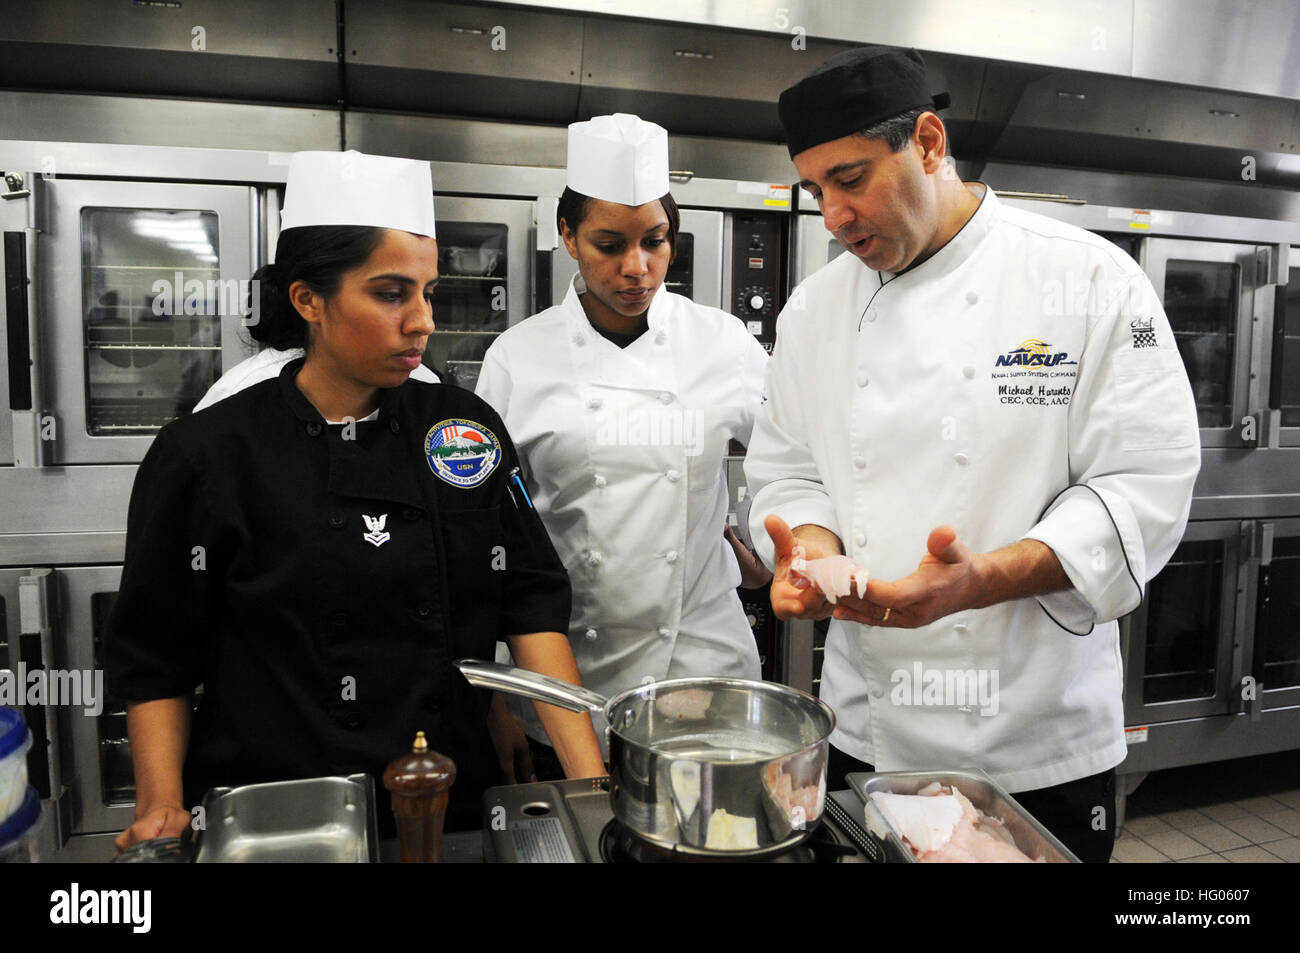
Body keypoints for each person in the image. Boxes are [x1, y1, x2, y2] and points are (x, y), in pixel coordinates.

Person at [744, 47, 1201, 863]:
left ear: (927, 142)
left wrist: (978, 580)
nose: (834, 217)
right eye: (816, 191)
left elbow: (1145, 485)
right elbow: (789, 469)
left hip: (1035, 743)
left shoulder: (1090, 281)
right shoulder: (813, 312)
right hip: (867, 734)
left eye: (851, 180)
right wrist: (810, 555)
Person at [105, 151, 606, 849]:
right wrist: (160, 802)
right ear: (309, 300)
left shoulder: (463, 429)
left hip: (448, 803)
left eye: (428, 292)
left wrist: (589, 790)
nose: (422, 321)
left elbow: (529, 603)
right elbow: (157, 654)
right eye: (392, 293)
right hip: (277, 815)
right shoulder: (208, 453)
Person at [475, 114, 771, 779]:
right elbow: (488, 539)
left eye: (655, 241)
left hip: (704, 665)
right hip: (567, 676)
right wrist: (497, 695)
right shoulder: (519, 359)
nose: (637, 268)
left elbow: (788, 466)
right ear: (568, 238)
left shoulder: (722, 345)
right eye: (609, 244)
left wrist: (772, 548)